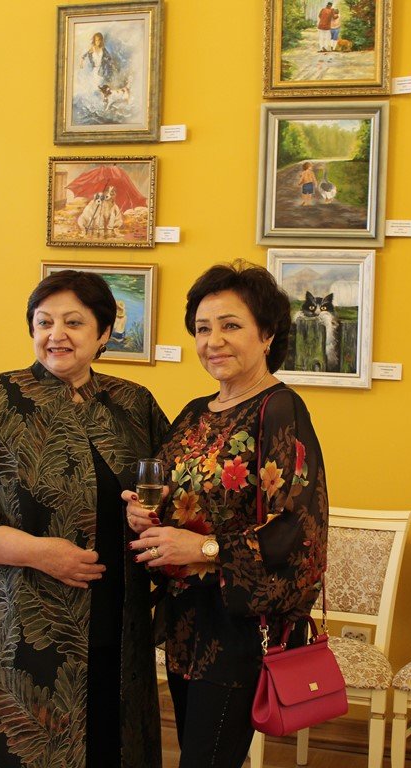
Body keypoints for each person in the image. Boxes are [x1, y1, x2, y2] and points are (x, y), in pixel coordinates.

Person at [0, 270, 170, 768]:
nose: (56, 334)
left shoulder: (134, 403)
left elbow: (169, 485)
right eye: (44, 322)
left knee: (111, 742)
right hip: (20, 624)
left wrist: (152, 511)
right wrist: (42, 553)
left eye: (73, 322)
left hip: (118, 616)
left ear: (104, 333)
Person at [125, 261, 329, 768]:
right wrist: (143, 515)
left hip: (238, 623)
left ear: (267, 334)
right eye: (202, 328)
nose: (213, 341)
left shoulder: (279, 409)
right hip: (184, 619)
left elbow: (297, 525)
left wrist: (204, 548)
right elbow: (169, 492)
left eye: (230, 325)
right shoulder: (195, 412)